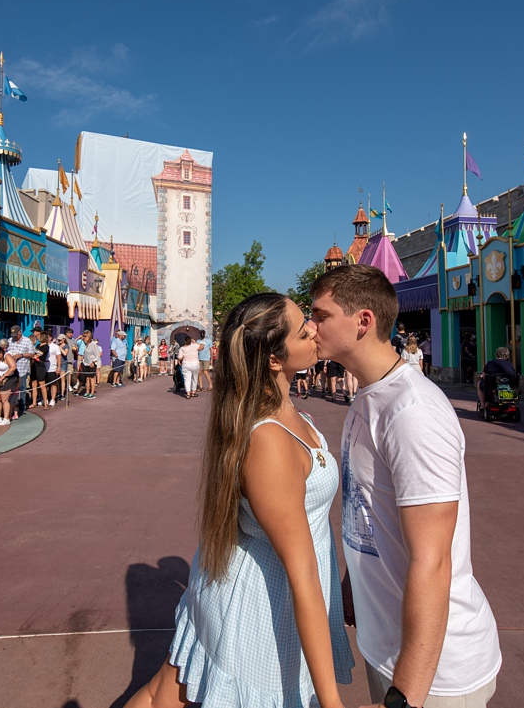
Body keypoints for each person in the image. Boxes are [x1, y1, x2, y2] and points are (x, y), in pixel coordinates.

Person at [122, 292, 353, 708]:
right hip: (259, 606)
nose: (314, 331)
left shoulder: (290, 415)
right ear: (274, 359)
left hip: (255, 586)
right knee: (170, 692)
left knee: (167, 691)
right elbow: (302, 574)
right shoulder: (269, 440)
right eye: (304, 330)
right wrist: (333, 703)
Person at [309, 264, 501, 708]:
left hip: (434, 673)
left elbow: (433, 561)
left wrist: (405, 697)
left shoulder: (412, 411)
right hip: (389, 648)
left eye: (320, 315)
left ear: (362, 322)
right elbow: (368, 508)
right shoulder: (369, 396)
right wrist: (352, 586)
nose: (310, 326)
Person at [8, 326, 36, 418]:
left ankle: (22, 407)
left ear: (20, 332)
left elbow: (32, 354)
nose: (14, 336)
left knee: (22, 388)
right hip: (12, 369)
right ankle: (12, 408)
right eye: (13, 335)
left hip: (22, 369)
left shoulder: (27, 341)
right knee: (12, 389)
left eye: (16, 334)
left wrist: (21, 355)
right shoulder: (10, 340)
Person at [476, 347, 517, 411]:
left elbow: (483, 376)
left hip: (494, 387)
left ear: (497, 354)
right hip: (508, 387)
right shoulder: (510, 365)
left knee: (480, 384)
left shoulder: (491, 363)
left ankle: (482, 405)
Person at [178, 334, 203, 398]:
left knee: (187, 379)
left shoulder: (182, 348)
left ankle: (188, 393)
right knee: (194, 378)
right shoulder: (194, 346)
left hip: (186, 364)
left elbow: (180, 357)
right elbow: (201, 347)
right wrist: (195, 342)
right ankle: (193, 392)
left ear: (184, 341)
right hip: (195, 363)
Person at [80, 330, 102, 399]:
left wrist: (93, 362)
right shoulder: (86, 344)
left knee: (92, 379)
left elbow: (97, 355)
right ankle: (87, 391)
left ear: (89, 336)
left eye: (85, 336)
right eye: (83, 336)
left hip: (92, 363)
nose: (84, 337)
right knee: (87, 378)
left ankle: (92, 392)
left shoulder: (93, 344)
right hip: (86, 363)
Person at [45, 333, 63, 409]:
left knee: (53, 384)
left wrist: (58, 367)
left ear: (51, 337)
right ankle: (44, 399)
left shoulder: (55, 347)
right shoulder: (43, 346)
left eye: (48, 337)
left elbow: (58, 357)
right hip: (44, 368)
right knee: (44, 385)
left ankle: (52, 399)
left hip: (52, 368)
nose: (46, 338)